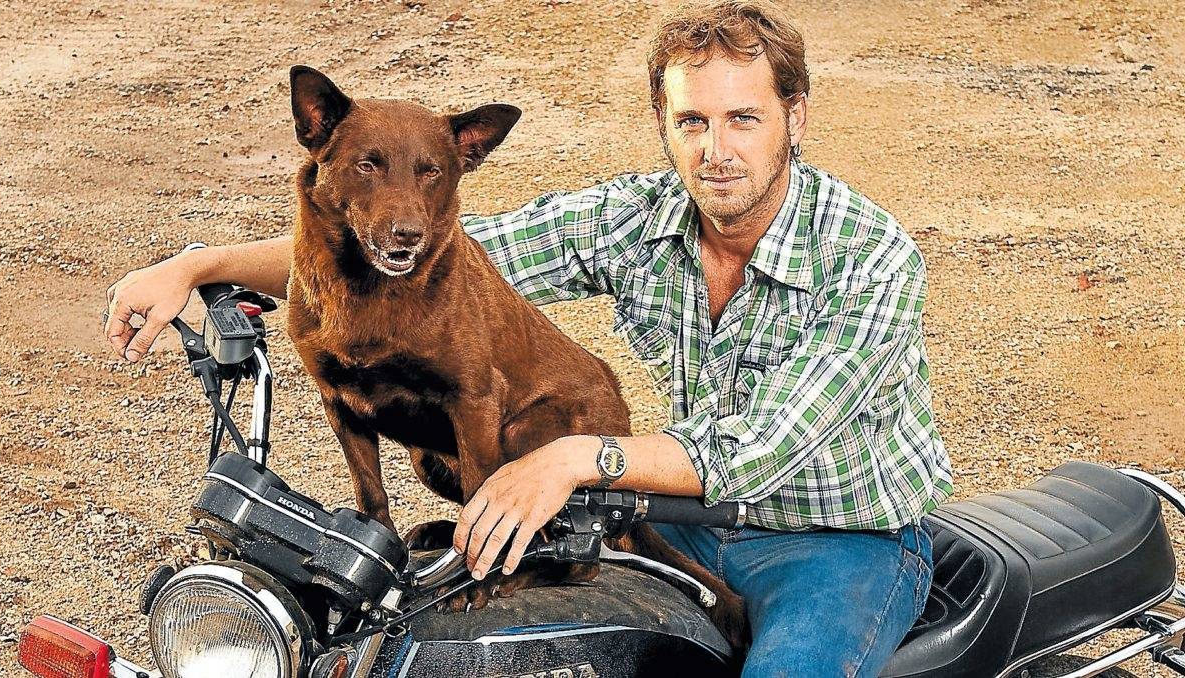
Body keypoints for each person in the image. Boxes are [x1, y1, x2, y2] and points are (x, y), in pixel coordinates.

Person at [105, 1, 953, 674]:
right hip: (678, 513)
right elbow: (447, 257)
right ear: (665, 124)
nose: (716, 149)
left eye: (744, 119)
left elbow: (766, 446)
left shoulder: (871, 258)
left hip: (841, 545)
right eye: (693, 121)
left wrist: (574, 457)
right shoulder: (637, 217)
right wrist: (197, 263)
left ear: (794, 117)